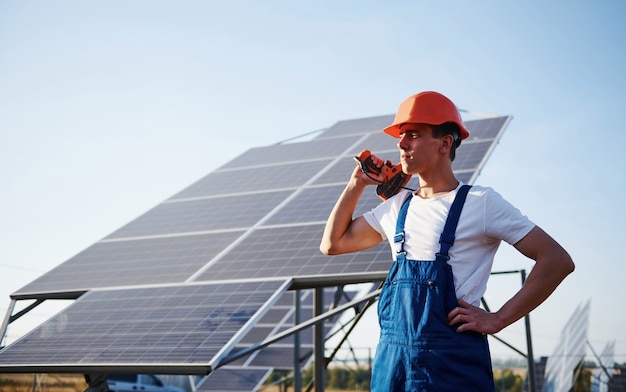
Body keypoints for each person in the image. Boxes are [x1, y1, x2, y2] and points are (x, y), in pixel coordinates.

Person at [319, 91, 574, 391]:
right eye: (401, 136)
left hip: (452, 369)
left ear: (445, 143)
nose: (402, 144)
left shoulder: (481, 203)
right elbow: (332, 244)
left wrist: (499, 319)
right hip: (393, 368)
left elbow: (557, 260)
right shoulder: (397, 206)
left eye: (413, 135)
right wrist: (356, 183)